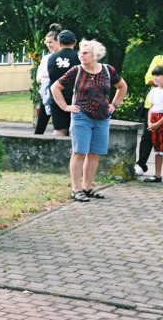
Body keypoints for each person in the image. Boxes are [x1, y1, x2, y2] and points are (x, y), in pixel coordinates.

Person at [51, 39, 127, 202]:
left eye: (85, 53)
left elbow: (122, 87)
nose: (81, 55)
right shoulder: (76, 70)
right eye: (80, 52)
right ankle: (76, 189)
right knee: (79, 153)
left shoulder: (108, 70)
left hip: (102, 118)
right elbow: (55, 87)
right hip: (81, 117)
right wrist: (65, 106)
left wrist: (114, 104)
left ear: (96, 55)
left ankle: (87, 187)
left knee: (94, 154)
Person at [45, 29, 80, 136]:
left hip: (57, 98)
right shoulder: (80, 56)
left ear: (59, 43)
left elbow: (51, 76)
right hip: (76, 98)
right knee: (77, 130)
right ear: (75, 42)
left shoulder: (52, 58)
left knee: (59, 129)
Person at [136, 52, 163, 174]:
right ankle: (141, 164)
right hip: (153, 106)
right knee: (147, 135)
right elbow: (148, 79)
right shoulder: (159, 58)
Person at [34, 27, 61, 135]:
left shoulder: (65, 57)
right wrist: (48, 75)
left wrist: (49, 74)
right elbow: (39, 79)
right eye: (47, 42)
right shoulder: (46, 58)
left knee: (60, 126)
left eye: (51, 42)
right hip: (48, 93)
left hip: (62, 94)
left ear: (58, 42)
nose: (48, 45)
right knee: (41, 124)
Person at [142, 65, 163, 183]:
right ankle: (157, 174)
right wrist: (150, 121)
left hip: (161, 120)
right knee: (158, 149)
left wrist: (158, 124)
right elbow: (151, 108)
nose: (155, 78)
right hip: (154, 119)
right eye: (154, 75)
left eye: (158, 75)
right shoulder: (154, 91)